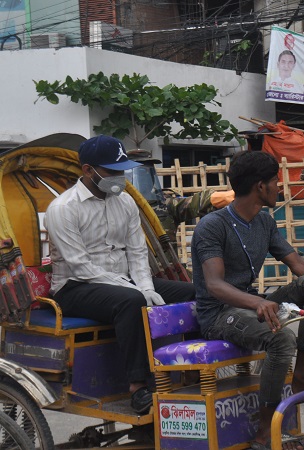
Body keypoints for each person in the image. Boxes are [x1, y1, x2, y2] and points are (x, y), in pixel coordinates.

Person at [191, 150, 304, 450]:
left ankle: (302, 374)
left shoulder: (264, 222)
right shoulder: (212, 226)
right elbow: (214, 284)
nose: (279, 188)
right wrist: (257, 304)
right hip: (219, 314)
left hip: (250, 304)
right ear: (259, 187)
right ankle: (265, 432)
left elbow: (299, 264)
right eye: (275, 182)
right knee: (280, 341)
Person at [45, 135, 195, 414]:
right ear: (88, 170)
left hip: (123, 282)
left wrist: (146, 286)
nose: (120, 177)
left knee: (193, 291)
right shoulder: (63, 209)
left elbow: (137, 254)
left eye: (122, 170)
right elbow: (81, 266)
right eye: (112, 171)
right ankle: (138, 387)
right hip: (75, 287)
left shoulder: (125, 202)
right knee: (130, 301)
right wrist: (138, 292)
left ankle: (194, 370)